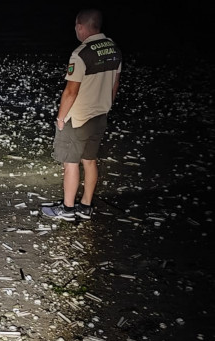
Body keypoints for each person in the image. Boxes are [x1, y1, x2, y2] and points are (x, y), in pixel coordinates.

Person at [41, 8, 122, 221]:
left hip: (78, 118)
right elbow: (115, 83)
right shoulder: (113, 49)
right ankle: (86, 206)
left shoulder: (81, 54)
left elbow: (71, 91)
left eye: (76, 26)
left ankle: (67, 209)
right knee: (90, 160)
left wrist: (61, 118)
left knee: (71, 163)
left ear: (80, 26)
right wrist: (107, 106)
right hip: (99, 115)